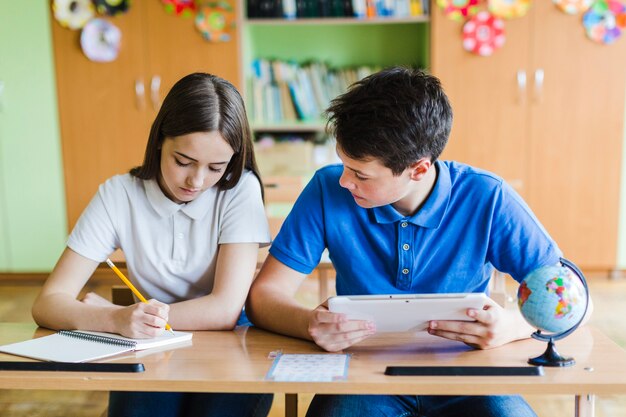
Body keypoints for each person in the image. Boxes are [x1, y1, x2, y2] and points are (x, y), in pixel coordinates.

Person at [246, 66, 571, 417]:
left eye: (360, 174)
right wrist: (309, 323)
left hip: (469, 376)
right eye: (343, 164)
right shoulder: (327, 189)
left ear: (418, 169)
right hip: (362, 377)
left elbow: (573, 301)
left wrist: (512, 326)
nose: (344, 181)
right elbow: (263, 297)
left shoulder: (487, 196)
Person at [32, 72, 273, 417]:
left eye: (216, 167)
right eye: (183, 161)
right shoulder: (118, 195)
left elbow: (224, 311)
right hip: (149, 343)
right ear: (160, 139)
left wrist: (117, 318)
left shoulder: (241, 190)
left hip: (231, 340)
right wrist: (115, 319)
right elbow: (47, 304)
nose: (197, 181)